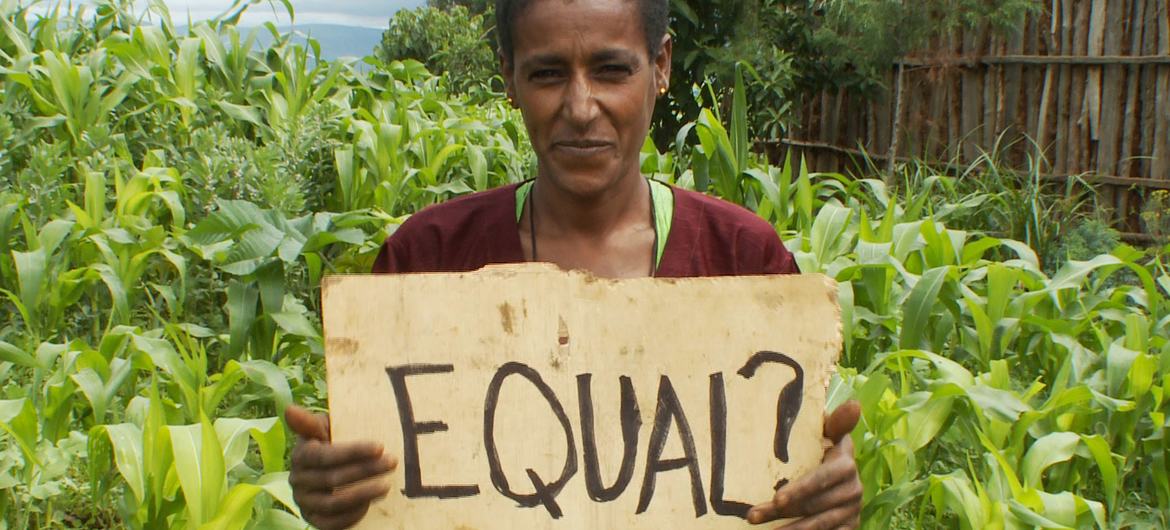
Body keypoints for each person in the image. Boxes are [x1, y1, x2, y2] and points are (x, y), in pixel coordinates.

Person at [285, 0, 863, 528]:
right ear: (509, 75)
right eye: (547, 73)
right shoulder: (427, 259)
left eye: (612, 70)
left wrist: (829, 488)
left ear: (660, 66)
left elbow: (795, 463)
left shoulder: (744, 262)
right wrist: (333, 488)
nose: (581, 108)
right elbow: (384, 487)